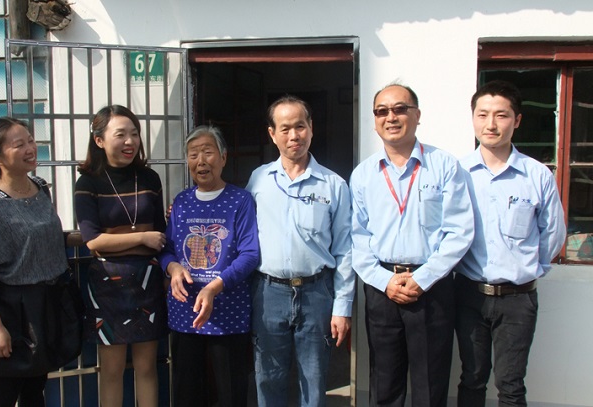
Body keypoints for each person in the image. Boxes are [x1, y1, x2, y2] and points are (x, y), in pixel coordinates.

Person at [350, 83, 474, 407]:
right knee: (384, 384)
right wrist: (385, 282)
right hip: (382, 290)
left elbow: (460, 231)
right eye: (382, 111)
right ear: (375, 121)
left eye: (400, 109)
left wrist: (422, 278)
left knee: (429, 386)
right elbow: (357, 238)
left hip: (431, 289)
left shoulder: (444, 165)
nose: (390, 117)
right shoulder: (363, 175)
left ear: (417, 115)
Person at [454, 80, 566, 406]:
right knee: (472, 378)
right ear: (473, 118)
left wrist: (527, 270)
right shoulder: (458, 173)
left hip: (518, 299)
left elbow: (552, 233)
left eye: (501, 115)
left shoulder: (537, 175)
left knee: (511, 384)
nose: (490, 124)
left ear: (517, 120)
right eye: (482, 114)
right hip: (469, 294)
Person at [0, 117, 74, 406]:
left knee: (35, 392)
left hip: (45, 304)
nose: (30, 148)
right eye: (19, 144)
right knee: (6, 395)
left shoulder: (40, 187)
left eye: (30, 140)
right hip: (11, 310)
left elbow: (43, 239)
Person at [246, 95, 355, 407]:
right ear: (272, 134)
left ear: (311, 128)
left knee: (314, 380)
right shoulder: (259, 180)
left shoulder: (333, 184)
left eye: (300, 126)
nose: (294, 135)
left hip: (316, 294)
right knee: (268, 379)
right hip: (268, 294)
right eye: (285, 129)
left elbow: (345, 249)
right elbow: (238, 229)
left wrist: (342, 307)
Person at [158, 125, 260, 407]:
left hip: (228, 313)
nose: (201, 161)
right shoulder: (181, 202)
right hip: (186, 312)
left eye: (207, 152)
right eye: (193, 155)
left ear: (223, 157)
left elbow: (250, 254)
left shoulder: (240, 200)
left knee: (230, 393)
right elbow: (166, 250)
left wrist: (215, 287)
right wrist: (173, 268)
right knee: (187, 392)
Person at [74, 105, 167, 407]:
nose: (130, 141)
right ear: (99, 140)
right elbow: (93, 240)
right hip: (107, 282)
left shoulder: (150, 178)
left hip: (148, 279)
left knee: (147, 367)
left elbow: (161, 231)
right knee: (111, 370)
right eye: (121, 135)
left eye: (134, 134)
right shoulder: (87, 183)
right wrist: (141, 238)